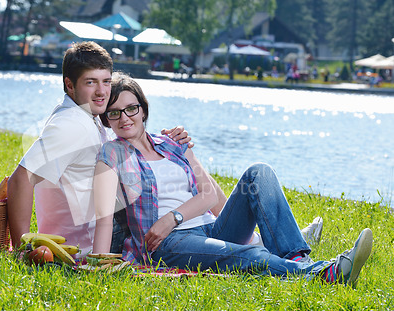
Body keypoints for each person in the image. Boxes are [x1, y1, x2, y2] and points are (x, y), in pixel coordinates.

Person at [92, 73, 373, 286]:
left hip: (209, 228)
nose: (124, 118)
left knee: (258, 172)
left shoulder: (171, 142)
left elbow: (209, 195)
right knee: (245, 256)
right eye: (114, 113)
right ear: (107, 120)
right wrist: (98, 261)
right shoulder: (112, 154)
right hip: (167, 244)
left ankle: (297, 258)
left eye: (131, 108)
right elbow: (104, 216)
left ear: (143, 109)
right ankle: (326, 273)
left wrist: (172, 216)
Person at [7, 42, 190, 255]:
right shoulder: (70, 125)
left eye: (106, 81)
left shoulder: (85, 116)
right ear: (70, 85)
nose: (101, 91)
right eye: (91, 82)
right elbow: (20, 180)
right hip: (91, 244)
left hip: (104, 233)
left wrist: (168, 142)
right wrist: (21, 250)